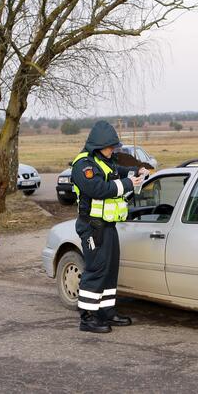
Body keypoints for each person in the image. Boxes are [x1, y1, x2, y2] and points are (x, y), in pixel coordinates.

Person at [71, 121, 148, 333]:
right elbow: (98, 188)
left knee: (110, 270)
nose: (113, 150)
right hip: (92, 228)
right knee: (96, 270)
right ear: (98, 145)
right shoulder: (83, 165)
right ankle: (87, 317)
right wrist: (128, 184)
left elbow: (119, 170)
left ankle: (106, 312)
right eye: (110, 146)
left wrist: (136, 170)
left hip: (107, 226)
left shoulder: (104, 161)